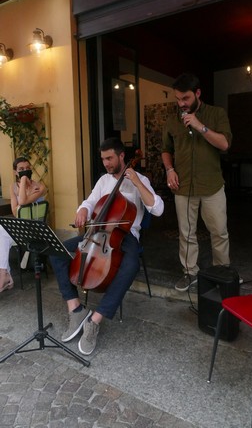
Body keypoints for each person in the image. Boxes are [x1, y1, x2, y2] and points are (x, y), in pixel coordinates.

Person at [50, 137, 164, 356]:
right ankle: (75, 309)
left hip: (127, 235)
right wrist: (83, 208)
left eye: (110, 158)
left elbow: (158, 209)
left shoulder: (139, 179)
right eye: (103, 159)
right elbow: (91, 201)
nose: (106, 163)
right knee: (58, 252)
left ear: (122, 156)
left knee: (131, 266)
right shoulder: (103, 180)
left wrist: (138, 183)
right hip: (98, 233)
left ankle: (95, 320)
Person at [161, 72, 232, 292]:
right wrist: (169, 169)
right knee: (186, 233)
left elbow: (224, 144)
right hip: (183, 186)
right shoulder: (173, 120)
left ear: (198, 93)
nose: (181, 104)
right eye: (178, 99)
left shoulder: (216, 113)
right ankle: (189, 272)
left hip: (211, 185)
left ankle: (222, 273)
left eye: (186, 98)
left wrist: (200, 125)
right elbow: (166, 150)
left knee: (219, 231)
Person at [0, 156, 47, 292]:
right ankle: (5, 274)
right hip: (21, 229)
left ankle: (5, 276)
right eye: (21, 169)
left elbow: (22, 203)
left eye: (27, 168)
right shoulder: (13, 187)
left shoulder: (40, 187)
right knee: (1, 232)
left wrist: (24, 181)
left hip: (36, 230)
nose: (25, 171)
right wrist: (25, 190)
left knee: (1, 234)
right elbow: (16, 212)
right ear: (15, 172)